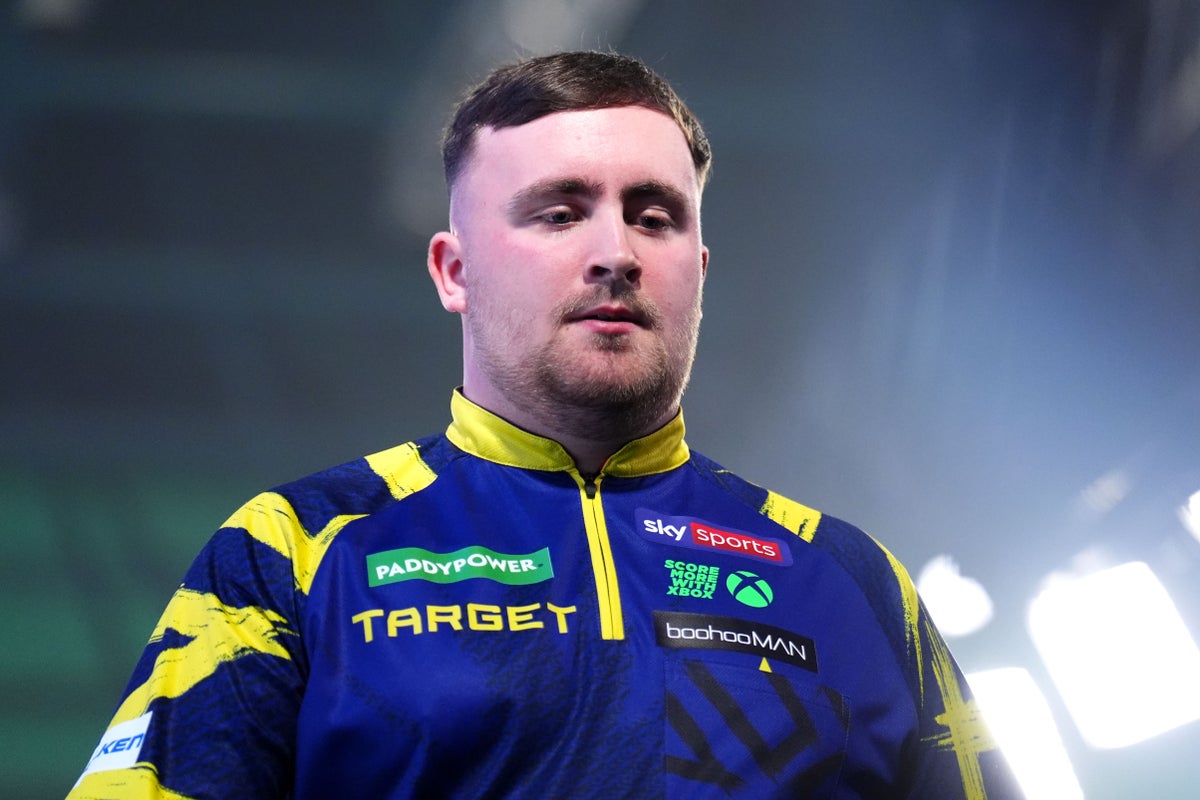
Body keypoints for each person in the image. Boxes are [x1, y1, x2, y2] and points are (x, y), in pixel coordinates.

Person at [69, 51, 1021, 799]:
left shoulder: (853, 581)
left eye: (655, 217)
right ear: (454, 272)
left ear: (699, 268)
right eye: (560, 213)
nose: (616, 253)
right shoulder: (294, 550)